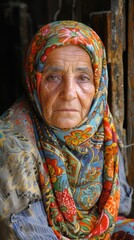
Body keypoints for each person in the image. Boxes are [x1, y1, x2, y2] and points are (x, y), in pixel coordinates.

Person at [0, 20, 134, 240]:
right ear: (34, 82)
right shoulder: (11, 145)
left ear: (98, 85)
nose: (69, 92)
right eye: (53, 77)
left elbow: (119, 212)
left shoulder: (103, 131)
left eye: (83, 78)